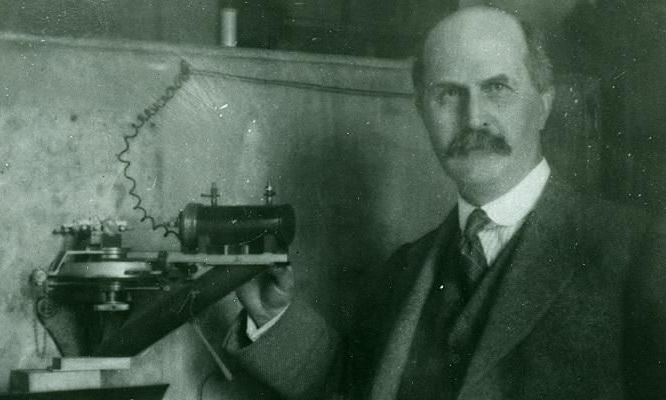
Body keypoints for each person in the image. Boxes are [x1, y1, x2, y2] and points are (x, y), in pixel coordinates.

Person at [223, 5, 666, 400]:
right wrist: (274, 315)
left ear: (544, 104)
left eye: (497, 88)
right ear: (422, 110)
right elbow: (349, 390)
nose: (473, 118)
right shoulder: (405, 270)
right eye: (448, 94)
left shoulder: (638, 250)